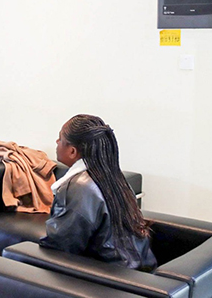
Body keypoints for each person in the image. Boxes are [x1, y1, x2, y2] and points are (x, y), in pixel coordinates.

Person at [40, 114, 157, 271]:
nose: (56, 142)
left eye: (60, 138)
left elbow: (61, 247)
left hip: (106, 279)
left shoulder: (77, 188)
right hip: (138, 270)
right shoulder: (113, 176)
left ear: (72, 151)